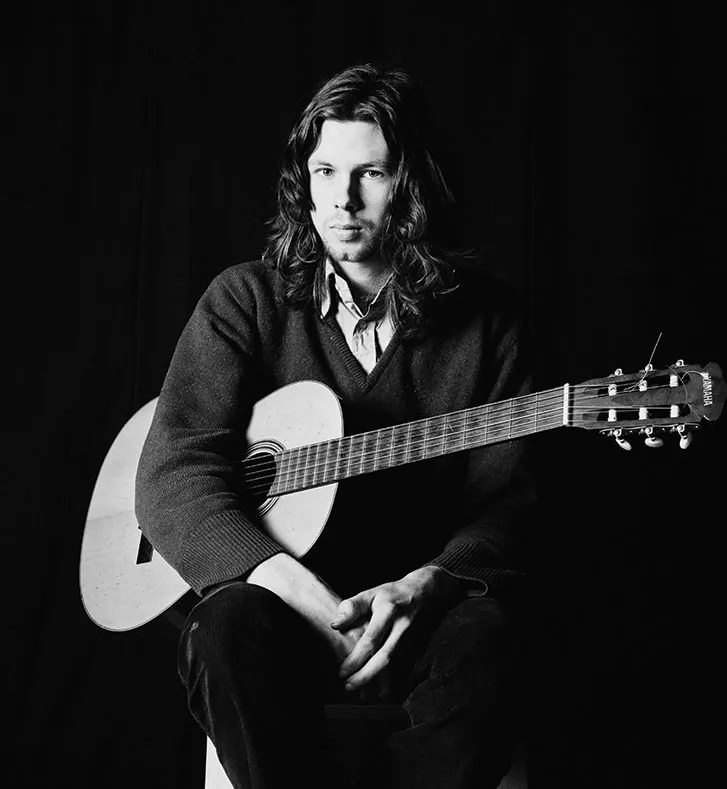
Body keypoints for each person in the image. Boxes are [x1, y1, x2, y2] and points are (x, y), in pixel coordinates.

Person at [136, 62, 537, 789]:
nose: (341, 200)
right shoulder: (245, 302)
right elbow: (172, 473)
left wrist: (429, 584)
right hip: (279, 612)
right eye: (324, 170)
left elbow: (510, 498)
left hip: (417, 616)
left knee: (497, 642)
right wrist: (303, 593)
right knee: (222, 630)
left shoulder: (489, 324)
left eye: (370, 174)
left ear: (412, 185)